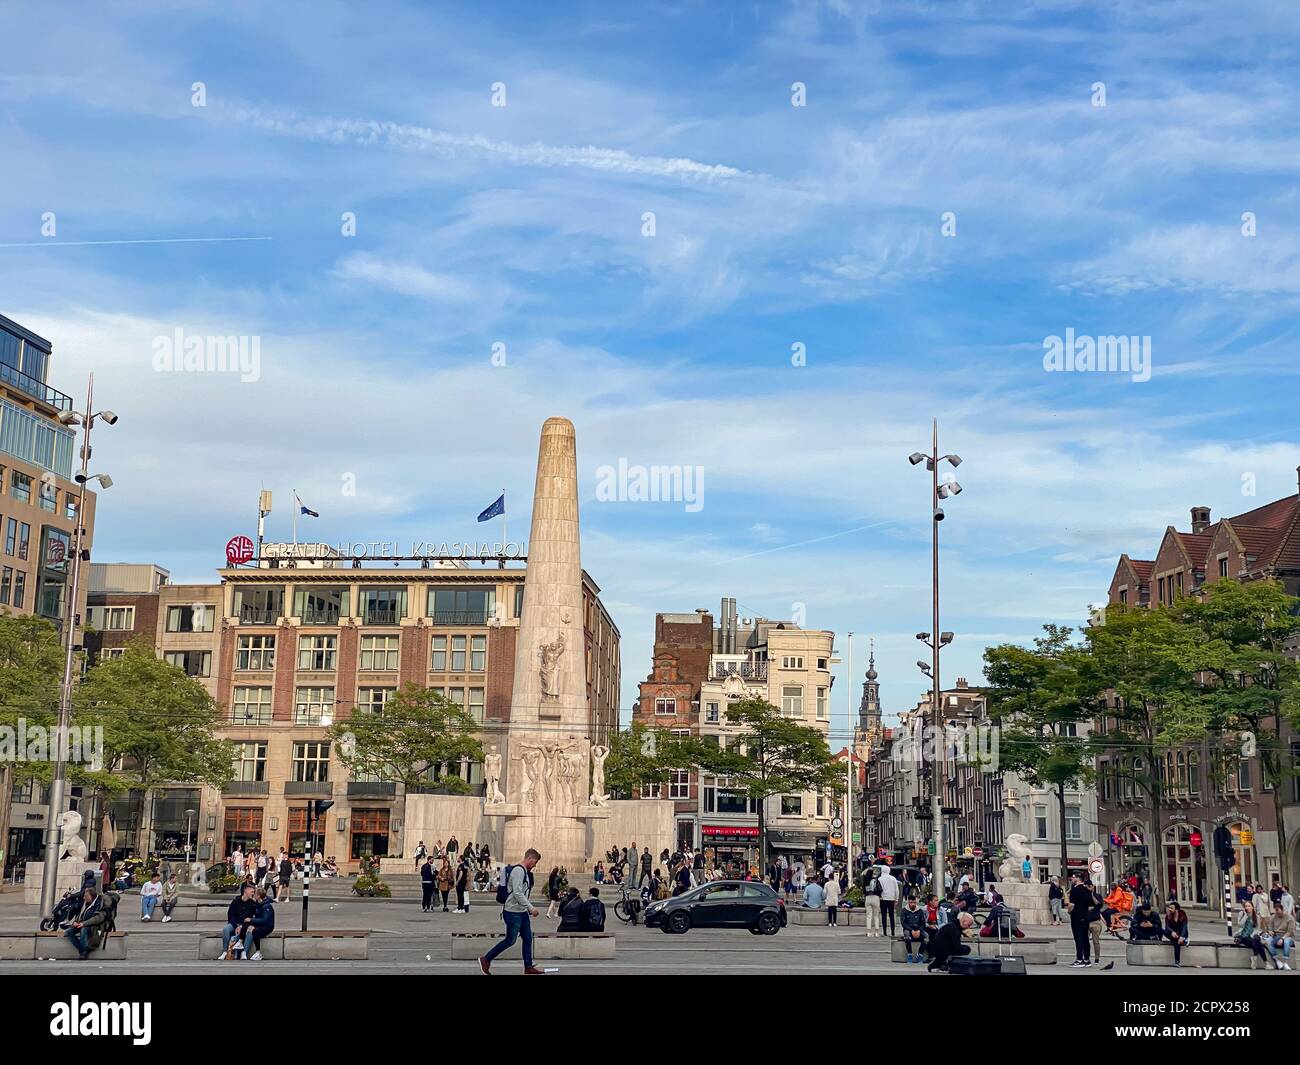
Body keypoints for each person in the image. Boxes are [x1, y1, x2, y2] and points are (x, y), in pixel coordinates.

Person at [478, 847, 544, 976]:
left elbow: (521, 893)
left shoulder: (523, 871)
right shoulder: (518, 871)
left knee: (528, 938)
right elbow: (518, 893)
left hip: (521, 911)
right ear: (530, 859)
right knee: (510, 940)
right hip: (513, 911)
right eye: (535, 862)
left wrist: (527, 908)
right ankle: (486, 959)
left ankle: (528, 966)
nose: (535, 866)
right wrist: (531, 907)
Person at [62, 885, 108, 959]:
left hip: (95, 926)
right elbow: (80, 915)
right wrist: (75, 922)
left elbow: (98, 918)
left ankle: (83, 953)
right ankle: (83, 950)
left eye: (86, 896)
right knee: (68, 932)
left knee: (84, 929)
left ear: (91, 897)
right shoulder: (85, 903)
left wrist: (84, 923)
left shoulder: (99, 904)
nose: (84, 898)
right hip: (82, 923)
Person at [220, 882, 260, 959]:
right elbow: (230, 915)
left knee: (249, 930)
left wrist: (256, 903)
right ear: (246, 890)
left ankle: (244, 952)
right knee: (226, 929)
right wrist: (235, 926)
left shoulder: (253, 903)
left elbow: (256, 916)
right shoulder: (236, 901)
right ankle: (224, 951)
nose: (253, 893)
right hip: (234, 923)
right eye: (252, 891)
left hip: (245, 925)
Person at [1066, 871, 1094, 967]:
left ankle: (1079, 959)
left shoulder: (1074, 890)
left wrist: (1069, 911)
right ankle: (1087, 959)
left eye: (1073, 877)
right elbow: (1091, 905)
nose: (1072, 879)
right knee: (1085, 938)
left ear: (1078, 878)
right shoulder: (1087, 890)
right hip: (1085, 916)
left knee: (1078, 938)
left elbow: (1072, 905)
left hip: (1077, 916)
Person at [1235, 901, 1271, 968]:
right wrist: (1245, 916)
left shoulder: (1256, 916)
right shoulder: (1242, 914)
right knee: (1258, 944)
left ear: (1252, 907)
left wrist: (1253, 936)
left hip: (1252, 937)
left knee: (1256, 939)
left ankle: (1255, 957)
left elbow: (1257, 929)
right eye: (1246, 906)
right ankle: (1266, 963)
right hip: (1243, 937)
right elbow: (1240, 925)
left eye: (1249, 906)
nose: (1247, 908)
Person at [1264, 901, 1296, 969]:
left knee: (1286, 942)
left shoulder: (1289, 918)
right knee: (1268, 942)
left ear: (1282, 910)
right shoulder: (1273, 917)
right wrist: (1270, 932)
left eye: (1278, 910)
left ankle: (1285, 961)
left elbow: (1290, 931)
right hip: (1276, 935)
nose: (1276, 913)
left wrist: (1282, 939)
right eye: (1275, 911)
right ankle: (1277, 960)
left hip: (1288, 936)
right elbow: (1269, 928)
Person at [246, 887, 276, 961]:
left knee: (256, 931)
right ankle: (243, 950)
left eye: (255, 893)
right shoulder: (258, 903)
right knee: (248, 928)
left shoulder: (266, 906)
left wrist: (251, 920)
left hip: (268, 926)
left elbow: (264, 920)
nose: (253, 895)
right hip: (261, 923)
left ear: (258, 896)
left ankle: (258, 952)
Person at [900, 896, 927, 963]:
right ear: (908, 902)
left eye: (914, 902)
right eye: (911, 902)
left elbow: (923, 923)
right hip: (908, 929)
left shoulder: (920, 911)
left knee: (926, 937)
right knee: (907, 936)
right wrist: (911, 930)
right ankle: (910, 954)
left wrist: (919, 930)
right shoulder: (904, 911)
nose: (913, 904)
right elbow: (903, 923)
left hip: (918, 929)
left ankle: (920, 955)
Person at [1163, 901, 1189, 966]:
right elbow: (1167, 927)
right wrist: (1172, 931)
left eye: (1171, 908)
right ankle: (1177, 961)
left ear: (1176, 910)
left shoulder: (1183, 916)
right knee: (1162, 930)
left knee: (1176, 941)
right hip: (1172, 934)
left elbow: (1184, 927)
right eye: (1169, 908)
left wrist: (1182, 936)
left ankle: (1177, 961)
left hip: (1180, 934)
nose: (1169, 909)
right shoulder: (1168, 916)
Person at [877, 865, 900, 937]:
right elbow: (896, 889)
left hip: (883, 899)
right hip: (891, 899)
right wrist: (896, 899)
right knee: (891, 916)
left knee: (884, 916)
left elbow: (878, 889)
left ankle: (884, 932)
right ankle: (893, 932)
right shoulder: (893, 878)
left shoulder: (880, 878)